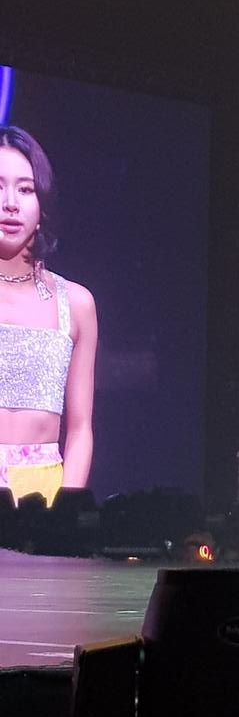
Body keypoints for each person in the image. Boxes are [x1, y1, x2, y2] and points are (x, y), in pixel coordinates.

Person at [0, 126, 97, 507]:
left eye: (25, 189)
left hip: (43, 498)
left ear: (42, 203)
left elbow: (80, 429)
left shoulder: (76, 303)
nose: (10, 203)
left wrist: (64, 515)